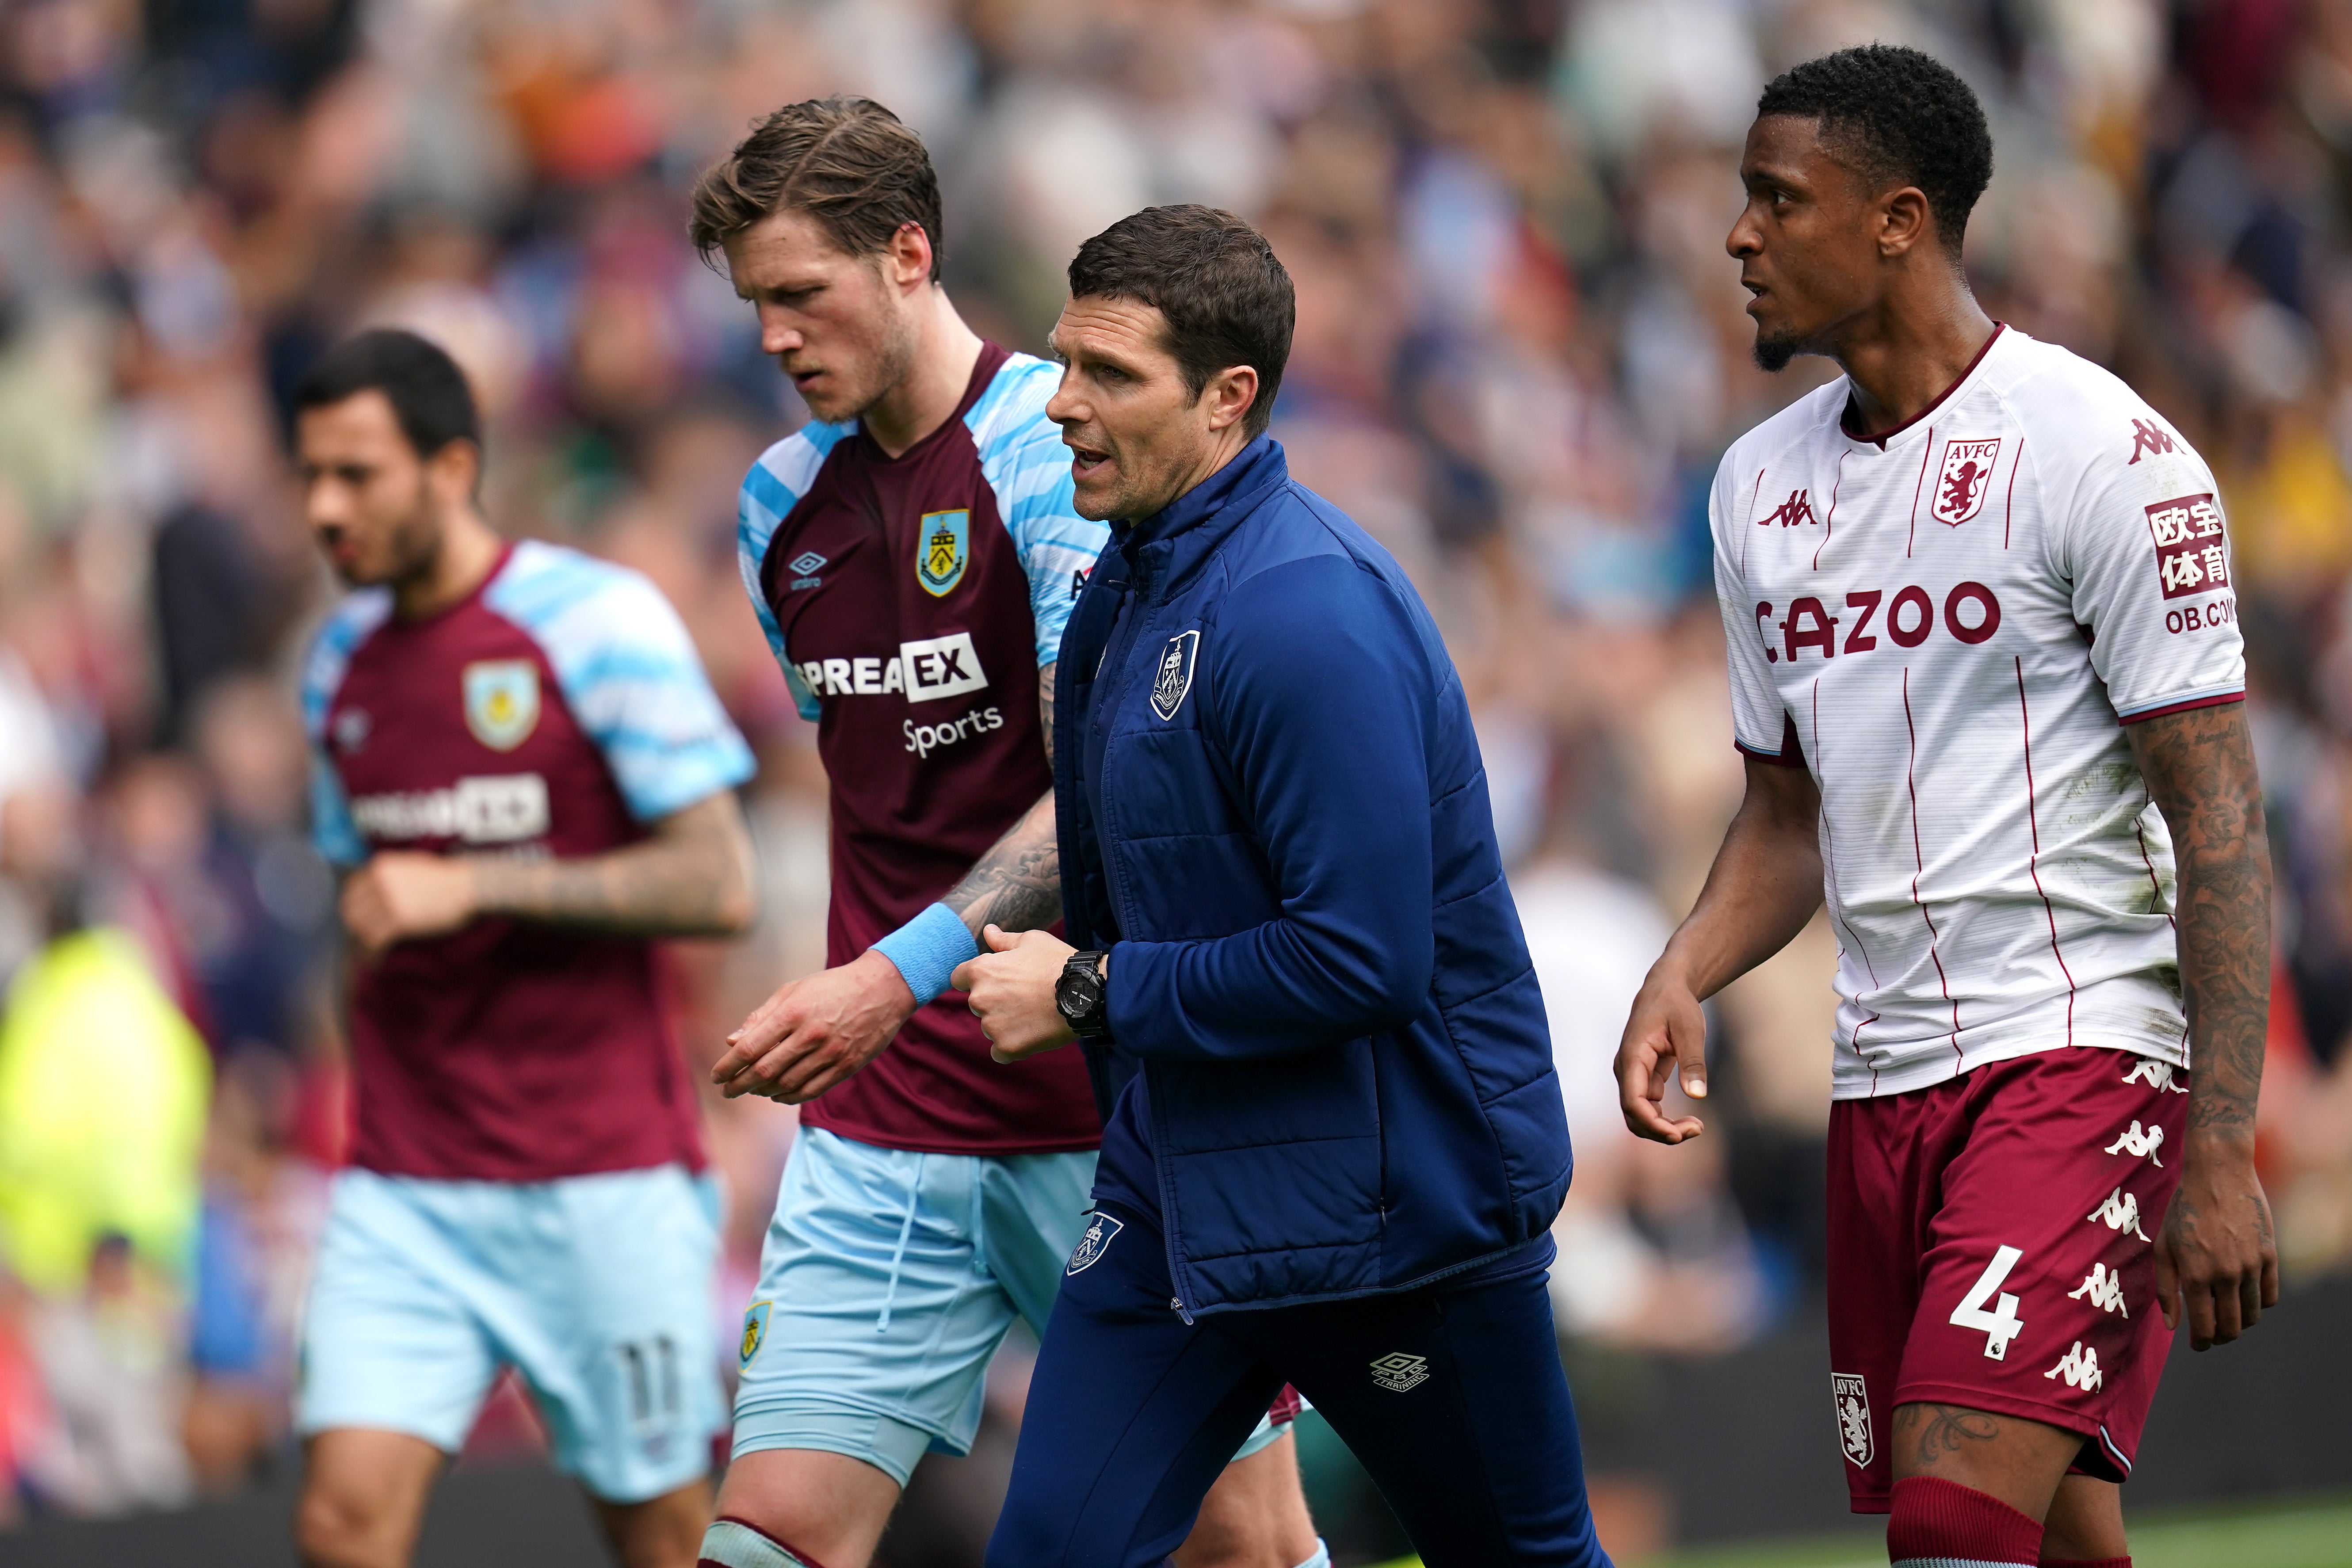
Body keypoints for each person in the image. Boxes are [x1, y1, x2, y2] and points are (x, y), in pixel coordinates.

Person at [1613, 45, 2277, 1568]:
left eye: (1780, 202)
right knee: (2054, 1537)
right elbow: (1784, 821)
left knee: (1951, 1520)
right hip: (1881, 1078)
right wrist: (1684, 967)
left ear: (1901, 220)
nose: (1739, 237)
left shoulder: (2104, 453)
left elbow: (2223, 823)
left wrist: (2223, 1143)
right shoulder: (1751, 491)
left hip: (2076, 1055)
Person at [690, 100, 1322, 1568]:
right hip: (884, 1122)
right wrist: (871, 992)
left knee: (1243, 1543)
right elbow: (891, 787)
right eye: (754, 306)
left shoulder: (1059, 446)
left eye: (802, 293)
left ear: (909, 254)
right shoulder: (778, 507)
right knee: (765, 1542)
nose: (775, 336)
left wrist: (888, 974)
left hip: (1096, 1103)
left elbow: (1094, 783)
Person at [958, 204, 1611, 1568]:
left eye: (1111, 376)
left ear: (1227, 398)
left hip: (1390, 1212)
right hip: (1177, 1198)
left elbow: (1362, 957)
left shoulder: (1309, 610)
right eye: (1065, 362)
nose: (1064, 403)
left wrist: (1087, 991)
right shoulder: (1123, 598)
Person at [291, 329, 759, 1568]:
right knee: (341, 1523)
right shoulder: (337, 663)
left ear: (451, 468)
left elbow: (719, 880)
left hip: (598, 1174)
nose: (324, 509)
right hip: (407, 1182)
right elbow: (365, 911)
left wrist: (474, 888)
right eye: (310, 477)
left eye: (356, 474)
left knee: (661, 1536)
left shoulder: (593, 619)